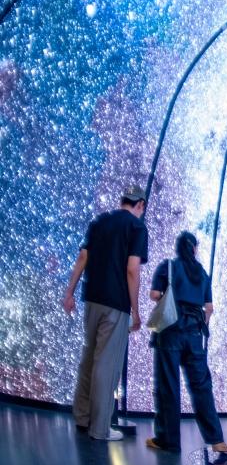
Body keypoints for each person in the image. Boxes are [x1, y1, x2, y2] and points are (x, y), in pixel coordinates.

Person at [62, 184, 149, 441]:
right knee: (107, 365)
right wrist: (135, 310)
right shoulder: (137, 227)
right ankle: (100, 429)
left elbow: (82, 258)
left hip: (91, 299)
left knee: (88, 358)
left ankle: (82, 417)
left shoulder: (99, 222)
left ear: (122, 200)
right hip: (116, 303)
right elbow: (132, 269)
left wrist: (69, 292)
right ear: (140, 205)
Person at [145, 231, 227, 453]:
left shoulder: (168, 267)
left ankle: (168, 440)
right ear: (194, 248)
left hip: (170, 331)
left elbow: (154, 294)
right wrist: (199, 324)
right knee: (201, 386)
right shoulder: (202, 273)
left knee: (168, 386)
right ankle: (217, 440)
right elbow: (209, 308)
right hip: (194, 335)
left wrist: (169, 299)